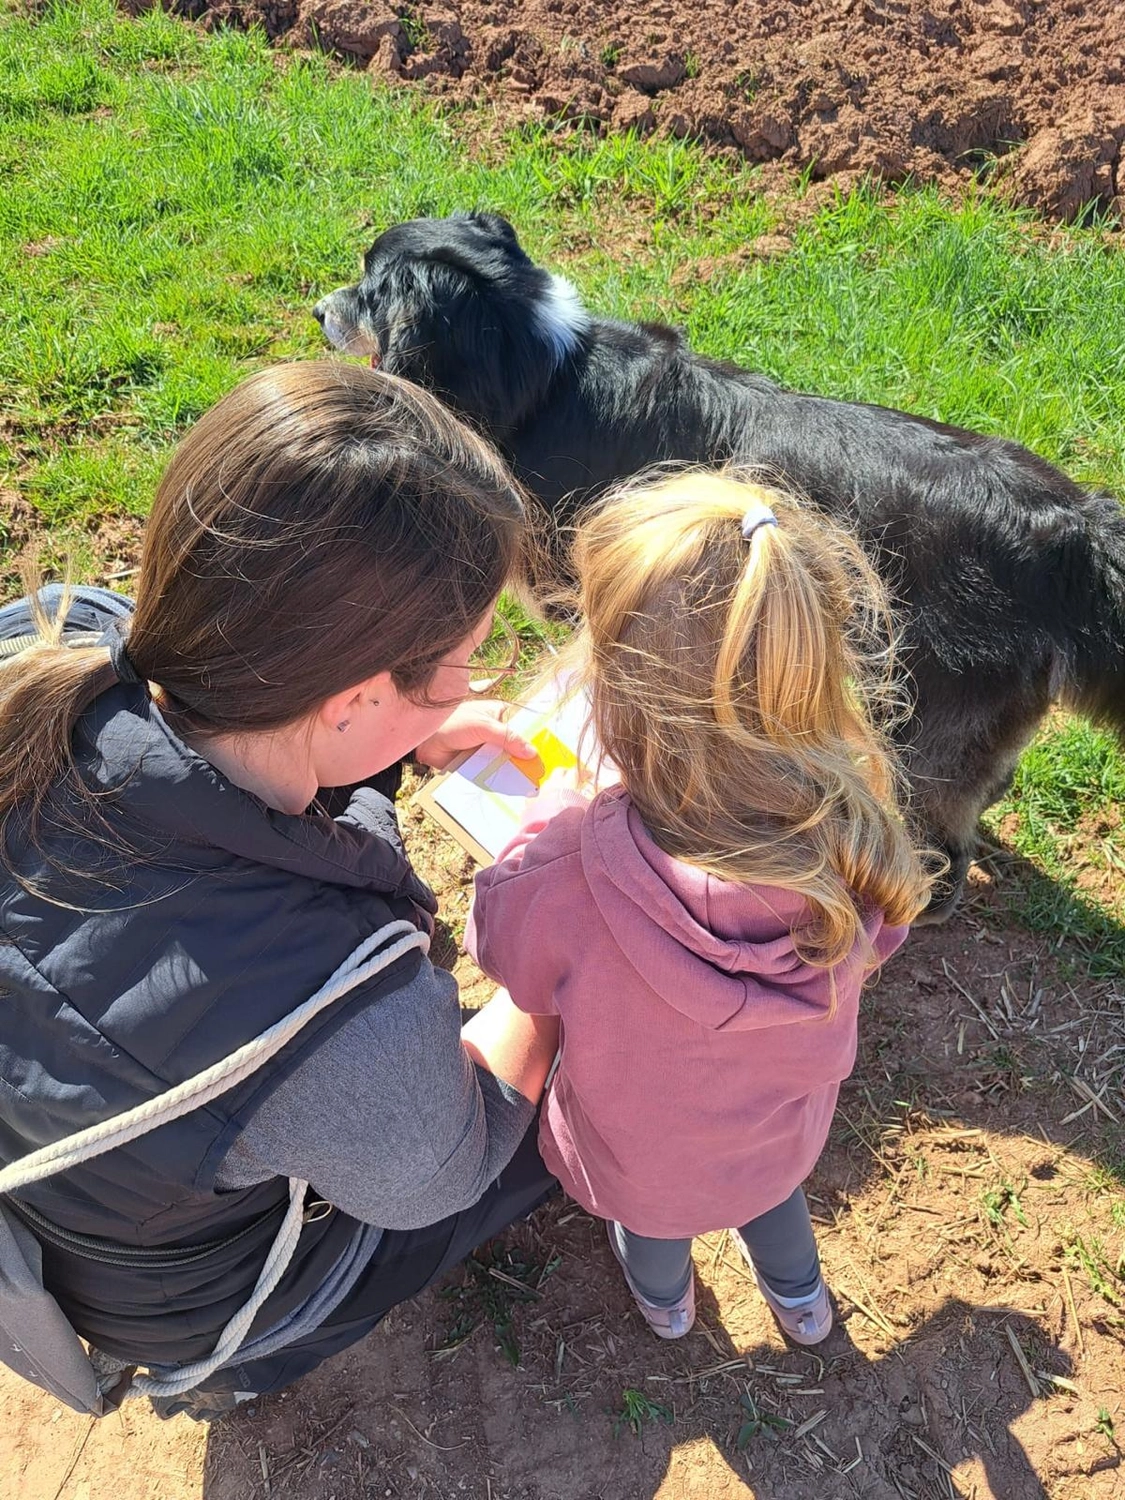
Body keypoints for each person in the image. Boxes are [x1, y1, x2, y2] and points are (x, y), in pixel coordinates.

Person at [0, 361, 559, 1418]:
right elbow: (444, 1164)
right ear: (345, 700)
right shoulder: (341, 1019)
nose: (471, 686)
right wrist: (556, 968)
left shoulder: (44, 643)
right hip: (192, 1313)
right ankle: (238, 1379)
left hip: (68, 1205)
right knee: (542, 1116)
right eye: (461, 666)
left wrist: (404, 731)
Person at [466, 472, 934, 1344]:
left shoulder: (561, 868)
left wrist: (549, 821)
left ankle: (667, 1308)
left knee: (654, 1231)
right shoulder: (855, 836)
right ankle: (801, 1305)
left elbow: (505, 961)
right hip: (772, 1142)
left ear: (612, 689)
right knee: (772, 1209)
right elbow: (888, 932)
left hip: (641, 1157)